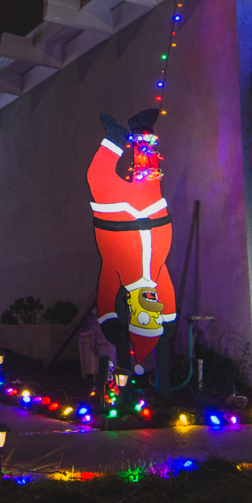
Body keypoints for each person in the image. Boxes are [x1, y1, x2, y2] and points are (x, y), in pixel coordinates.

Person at [87, 109, 177, 366]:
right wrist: (169, 319)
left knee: (97, 176)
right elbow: (168, 294)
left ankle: (115, 137)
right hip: (152, 212)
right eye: (156, 314)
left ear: (132, 311)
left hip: (116, 215)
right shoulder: (158, 278)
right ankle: (142, 129)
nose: (153, 306)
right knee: (148, 172)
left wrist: (108, 319)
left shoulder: (118, 276)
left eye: (145, 317)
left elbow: (106, 292)